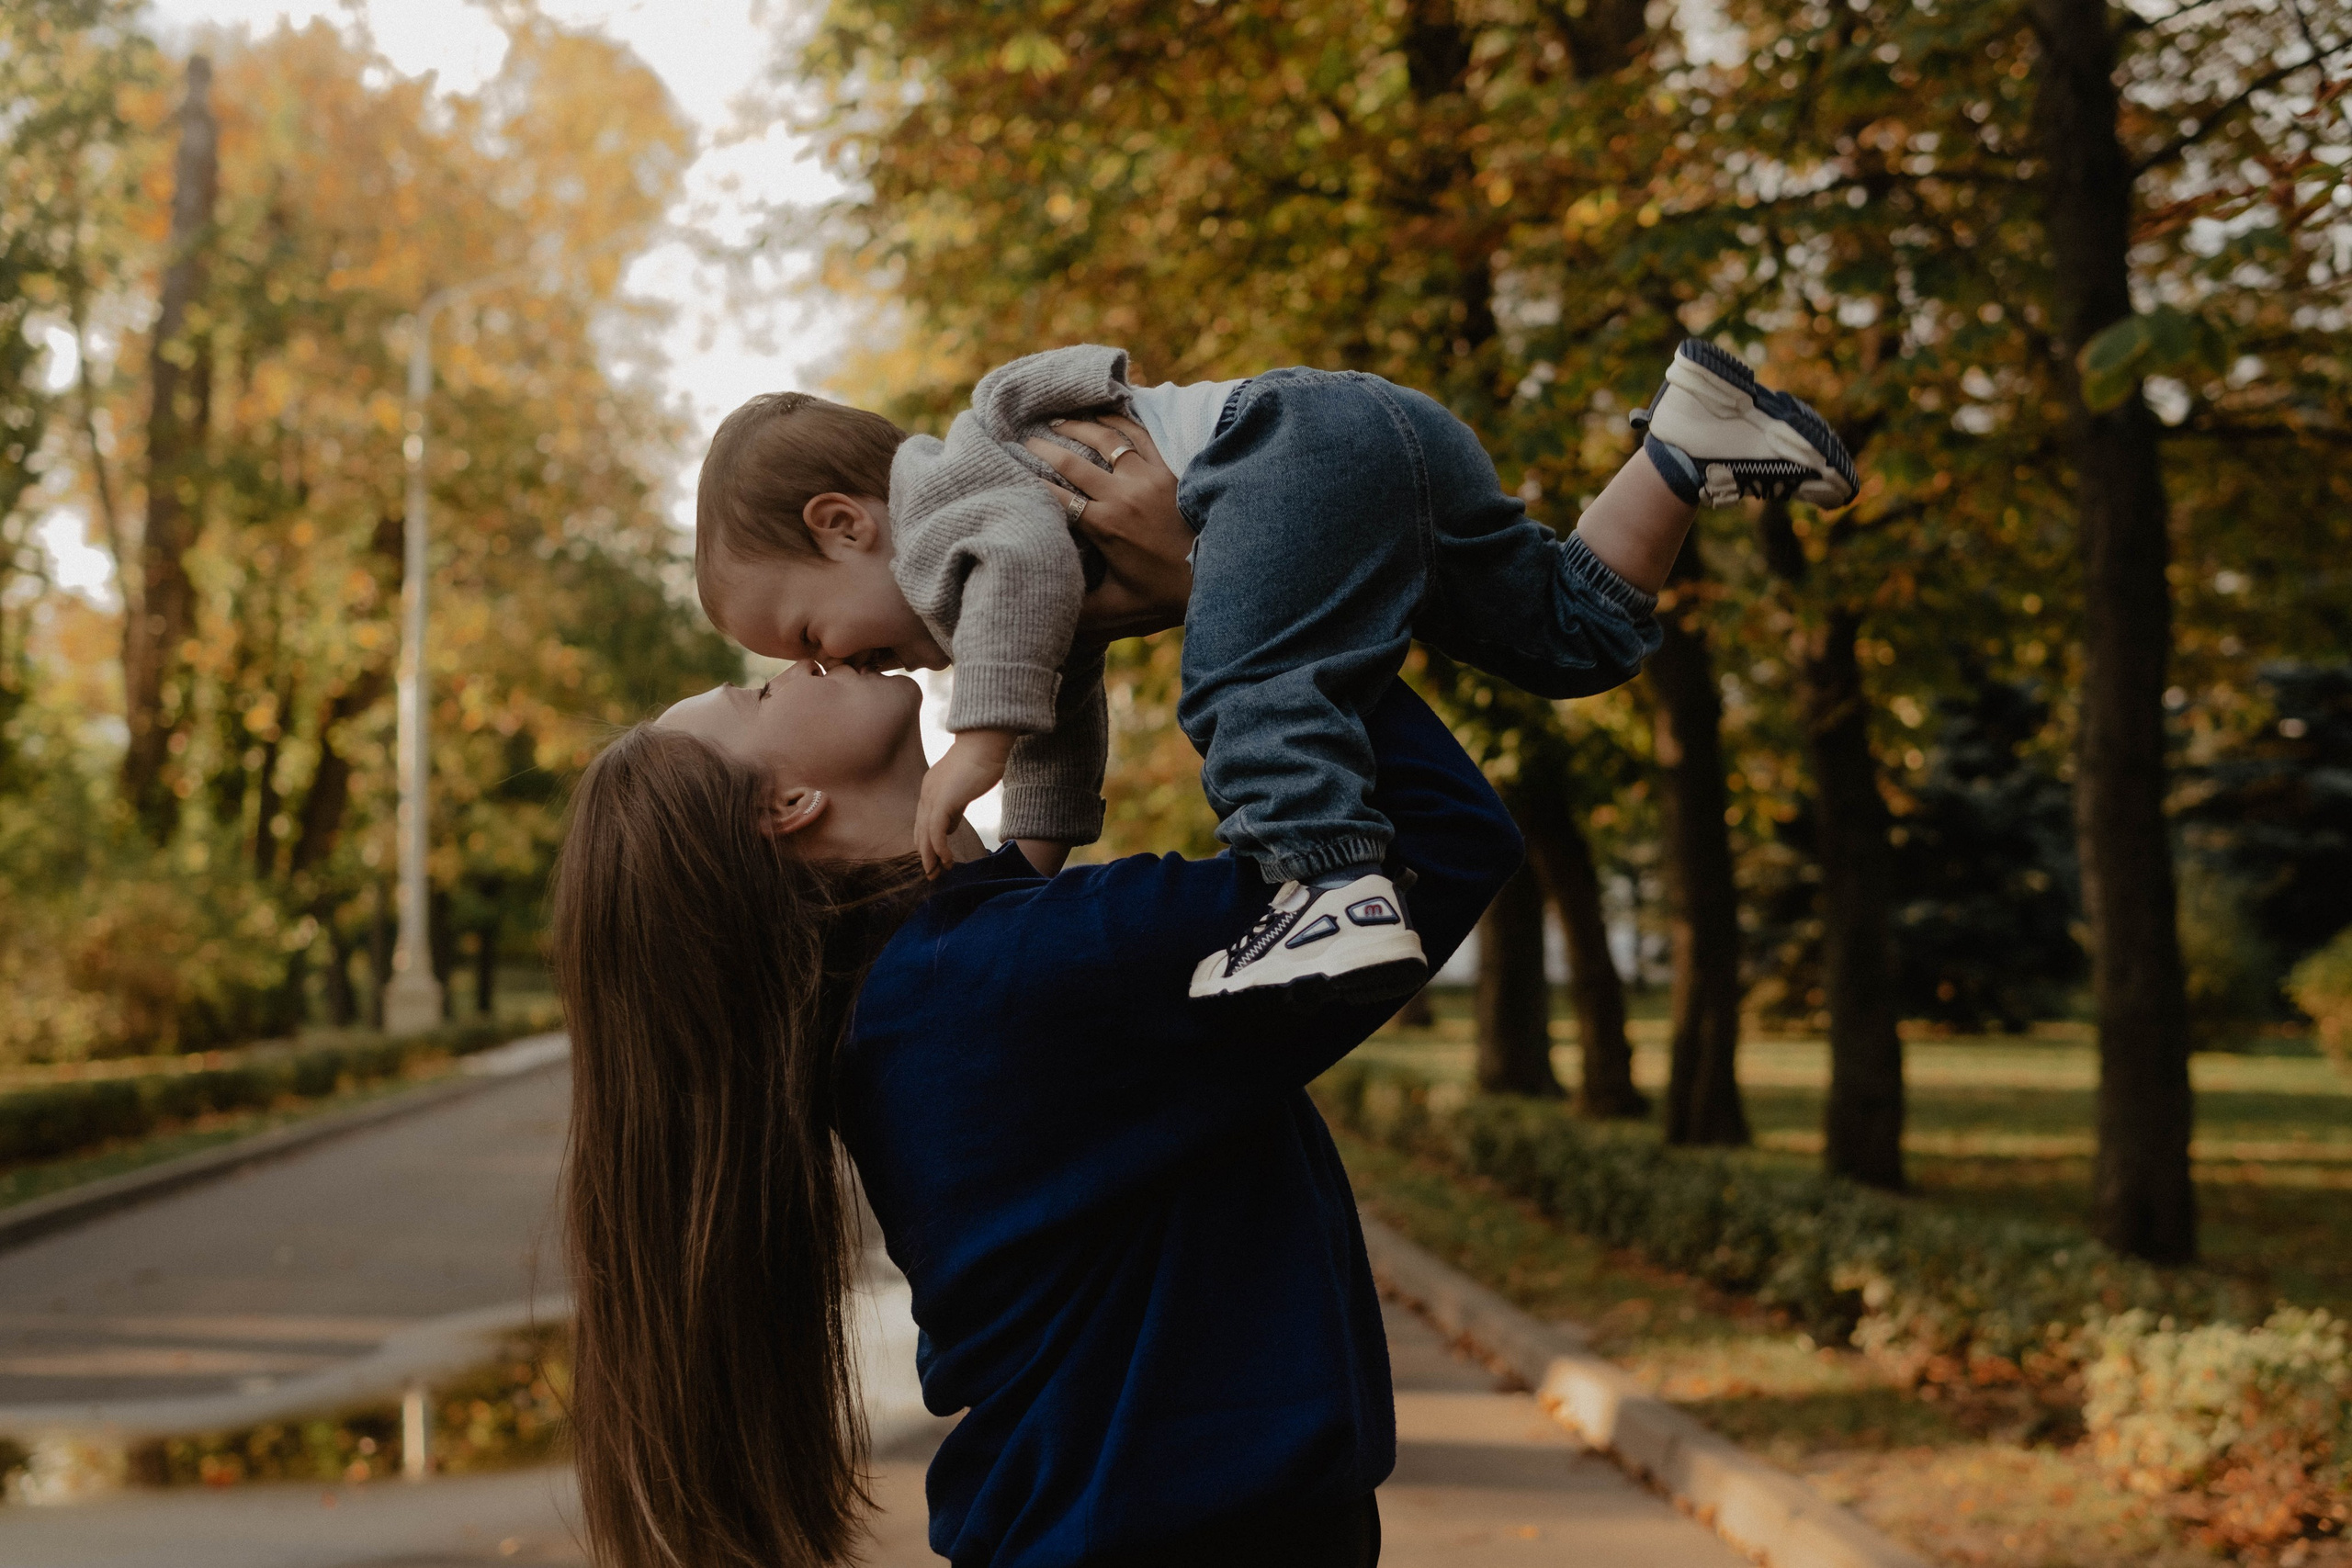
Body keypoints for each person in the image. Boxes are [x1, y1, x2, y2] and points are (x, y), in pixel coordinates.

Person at [549, 438, 1517, 1568]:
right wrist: (1227, 586)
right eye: (760, 691)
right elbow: (1434, 850)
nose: (800, 664)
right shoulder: (1004, 986)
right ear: (787, 806)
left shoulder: (937, 988)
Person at [691, 341, 1854, 1009]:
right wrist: (1029, 858)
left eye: (804, 633)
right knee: (1561, 638)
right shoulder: (985, 584)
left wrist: (977, 745)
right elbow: (1062, 704)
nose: (826, 662)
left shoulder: (948, 501)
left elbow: (1029, 604)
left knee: (1241, 687)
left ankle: (1327, 885)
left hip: (1282, 453)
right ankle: (1686, 443)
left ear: (845, 525)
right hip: (1361, 444)